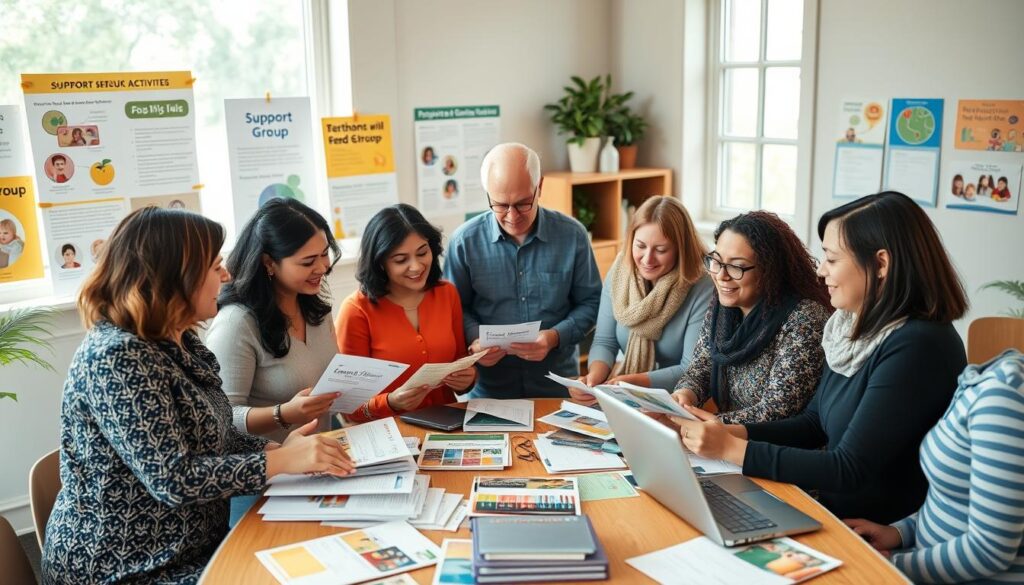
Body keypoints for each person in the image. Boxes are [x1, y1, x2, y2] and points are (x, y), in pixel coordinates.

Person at [42, 207, 354, 584]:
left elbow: (217, 429)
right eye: (215, 267)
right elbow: (173, 479)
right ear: (176, 276)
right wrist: (282, 461)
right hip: (130, 566)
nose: (226, 276)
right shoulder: (118, 356)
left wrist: (271, 451)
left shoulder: (180, 337)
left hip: (192, 546)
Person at [675, 191, 968, 524]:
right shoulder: (851, 328)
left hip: (869, 525)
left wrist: (731, 449)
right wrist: (735, 432)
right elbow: (813, 424)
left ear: (881, 264)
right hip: (830, 507)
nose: (821, 271)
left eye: (832, 258)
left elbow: (849, 467)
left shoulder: (918, 345)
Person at [206, 198, 342, 524]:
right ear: (269, 263)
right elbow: (219, 421)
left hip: (317, 468)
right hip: (262, 485)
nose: (322, 268)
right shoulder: (237, 322)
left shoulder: (315, 309)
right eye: (308, 261)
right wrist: (283, 414)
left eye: (325, 254)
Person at [843, 351, 1024, 584]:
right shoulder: (991, 378)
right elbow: (952, 500)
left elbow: (989, 550)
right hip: (923, 563)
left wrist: (887, 566)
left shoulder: (1005, 396)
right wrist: (900, 532)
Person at [443, 142, 602, 398]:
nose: (512, 216)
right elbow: (453, 307)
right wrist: (475, 342)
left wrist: (554, 337)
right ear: (487, 194)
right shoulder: (464, 242)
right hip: (488, 390)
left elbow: (593, 303)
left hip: (557, 386)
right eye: (500, 205)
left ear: (540, 186)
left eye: (523, 203)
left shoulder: (572, 236)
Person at [668, 211, 831, 423]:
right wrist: (685, 394)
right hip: (728, 440)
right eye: (716, 261)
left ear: (769, 270)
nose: (721, 275)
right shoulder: (723, 305)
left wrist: (709, 423)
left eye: (737, 266)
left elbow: (777, 411)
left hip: (776, 449)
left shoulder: (805, 320)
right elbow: (703, 365)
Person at [567, 196, 714, 404]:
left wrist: (630, 383)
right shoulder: (620, 271)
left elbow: (690, 370)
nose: (647, 259)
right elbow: (604, 341)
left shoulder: (702, 286)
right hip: (629, 395)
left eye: (661, 250)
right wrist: (593, 379)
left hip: (682, 402)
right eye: (640, 246)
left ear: (681, 249)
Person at [336, 203, 476, 421]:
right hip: (388, 434)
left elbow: (459, 362)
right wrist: (390, 402)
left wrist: (468, 379)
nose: (417, 266)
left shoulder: (447, 293)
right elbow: (348, 407)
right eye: (401, 260)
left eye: (422, 253)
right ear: (380, 263)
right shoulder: (356, 311)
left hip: (447, 426)